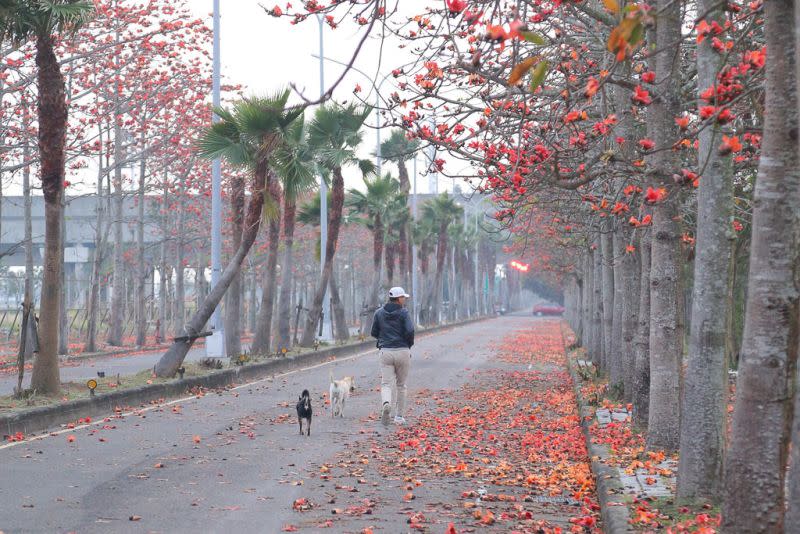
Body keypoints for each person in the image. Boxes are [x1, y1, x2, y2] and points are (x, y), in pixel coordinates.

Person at [371, 287, 415, 426]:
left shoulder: (378, 313)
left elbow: (374, 332)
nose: (404, 300)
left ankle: (386, 403)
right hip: (402, 351)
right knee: (401, 385)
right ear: (398, 298)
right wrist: (408, 344)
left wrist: (384, 339)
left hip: (386, 351)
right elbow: (410, 330)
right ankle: (399, 417)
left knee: (386, 383)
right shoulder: (404, 313)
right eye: (403, 297)